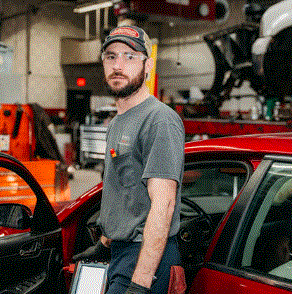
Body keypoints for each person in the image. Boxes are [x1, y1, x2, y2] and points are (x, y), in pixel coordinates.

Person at [73, 25, 185, 294]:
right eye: (111, 56)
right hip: (122, 256)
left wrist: (140, 283)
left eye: (129, 56)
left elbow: (164, 204)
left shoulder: (159, 120)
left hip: (147, 260)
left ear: (148, 66)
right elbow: (126, 191)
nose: (118, 65)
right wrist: (105, 241)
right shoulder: (117, 123)